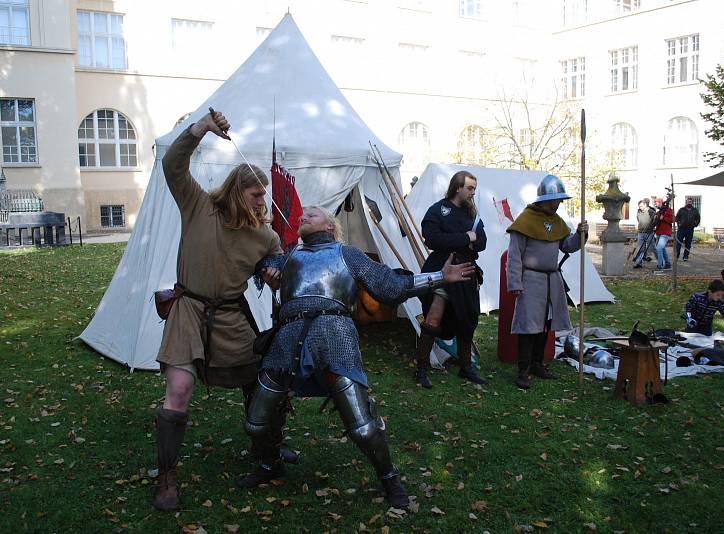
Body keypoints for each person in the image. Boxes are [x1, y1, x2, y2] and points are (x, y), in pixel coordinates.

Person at [240, 206, 476, 508]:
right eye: (302, 215)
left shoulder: (346, 254)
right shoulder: (289, 256)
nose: (304, 216)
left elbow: (391, 286)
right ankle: (270, 462)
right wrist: (266, 269)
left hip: (334, 332)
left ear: (329, 225)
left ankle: (389, 477)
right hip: (288, 336)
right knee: (256, 422)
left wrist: (439, 277)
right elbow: (261, 262)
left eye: (313, 214)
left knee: (363, 428)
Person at [152, 110, 283, 511]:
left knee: (259, 385)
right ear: (237, 189)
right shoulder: (198, 206)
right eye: (258, 194)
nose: (265, 201)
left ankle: (267, 453)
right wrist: (201, 129)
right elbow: (173, 163)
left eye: (265, 194)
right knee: (179, 390)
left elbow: (274, 267)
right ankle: (166, 477)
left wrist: (275, 273)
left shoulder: (266, 235)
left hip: (231, 318)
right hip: (188, 311)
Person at [505, 175, 588, 389]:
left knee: (545, 325)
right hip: (530, 279)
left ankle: (537, 364)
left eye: (560, 200)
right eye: (556, 200)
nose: (559, 204)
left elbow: (567, 246)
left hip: (552, 279)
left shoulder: (556, 222)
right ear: (546, 199)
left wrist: (580, 235)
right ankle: (523, 370)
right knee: (528, 325)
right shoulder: (525, 221)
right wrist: (515, 282)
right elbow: (514, 255)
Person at [414, 171, 487, 388]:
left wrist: (465, 239)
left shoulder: (473, 215)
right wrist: (466, 237)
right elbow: (433, 239)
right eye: (470, 188)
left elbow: (481, 242)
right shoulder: (438, 210)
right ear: (458, 187)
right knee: (433, 319)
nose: (473, 192)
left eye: (474, 188)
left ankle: (466, 367)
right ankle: (421, 369)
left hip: (467, 271)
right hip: (443, 269)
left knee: (467, 320)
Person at [632, 198, 656, 268]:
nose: (640, 208)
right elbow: (638, 219)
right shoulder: (638, 211)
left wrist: (651, 226)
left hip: (649, 232)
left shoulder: (651, 211)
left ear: (645, 205)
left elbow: (655, 221)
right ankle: (639, 263)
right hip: (641, 232)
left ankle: (660, 261)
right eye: (639, 206)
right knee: (640, 248)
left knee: (653, 248)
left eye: (641, 206)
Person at [653, 197, 674, 271]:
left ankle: (659, 265)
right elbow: (655, 223)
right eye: (655, 202)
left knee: (659, 248)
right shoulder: (658, 212)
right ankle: (668, 264)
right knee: (662, 248)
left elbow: (672, 220)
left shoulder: (668, 210)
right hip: (659, 232)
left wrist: (664, 218)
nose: (655, 203)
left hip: (665, 232)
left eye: (657, 202)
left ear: (661, 202)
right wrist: (655, 218)